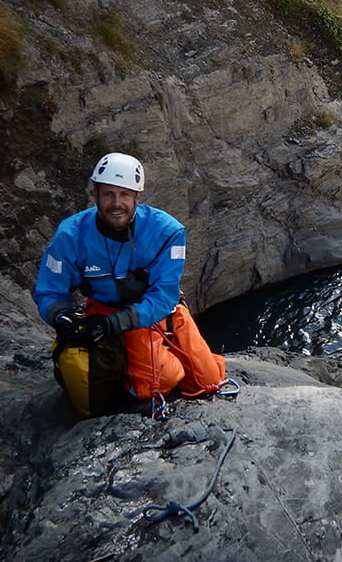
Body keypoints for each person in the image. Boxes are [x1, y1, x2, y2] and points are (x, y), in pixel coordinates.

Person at [34, 152, 223, 409]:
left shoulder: (168, 232)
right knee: (161, 380)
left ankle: (164, 349)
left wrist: (115, 323)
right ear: (96, 195)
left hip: (156, 311)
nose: (116, 203)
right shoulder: (71, 235)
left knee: (208, 381)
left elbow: (164, 295)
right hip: (103, 309)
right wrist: (60, 316)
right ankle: (129, 374)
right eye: (108, 194)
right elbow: (49, 291)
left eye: (124, 194)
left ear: (138, 197)